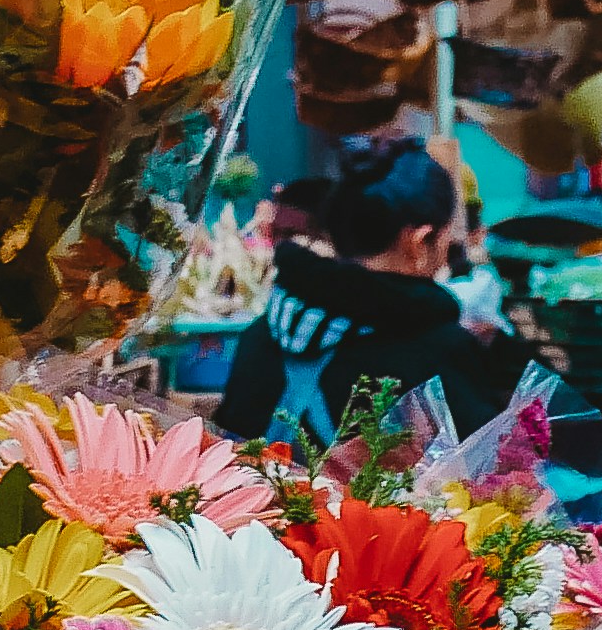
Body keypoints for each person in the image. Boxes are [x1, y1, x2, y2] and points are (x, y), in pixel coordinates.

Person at [216, 134, 519, 444]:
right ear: (418, 241)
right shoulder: (438, 351)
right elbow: (485, 467)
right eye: (445, 239)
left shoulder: (262, 333)